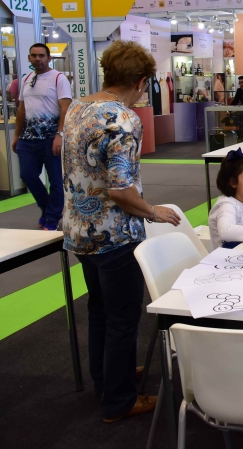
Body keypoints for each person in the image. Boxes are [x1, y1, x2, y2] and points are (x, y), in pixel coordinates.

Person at [61, 40, 181, 423]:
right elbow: (120, 188)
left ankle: (109, 377)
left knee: (100, 311)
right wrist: (152, 212)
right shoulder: (123, 119)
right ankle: (119, 399)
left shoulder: (79, 108)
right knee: (123, 318)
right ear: (142, 81)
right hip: (114, 236)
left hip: (80, 232)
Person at [12, 43, 72, 230]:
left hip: (51, 139)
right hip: (28, 139)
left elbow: (66, 108)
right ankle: (48, 209)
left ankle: (52, 218)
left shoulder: (58, 79)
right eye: (34, 55)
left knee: (55, 180)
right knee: (27, 175)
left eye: (41, 55)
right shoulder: (26, 79)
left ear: (48, 58)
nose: (37, 59)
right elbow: (22, 108)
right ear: (29, 58)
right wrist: (16, 135)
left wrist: (60, 134)